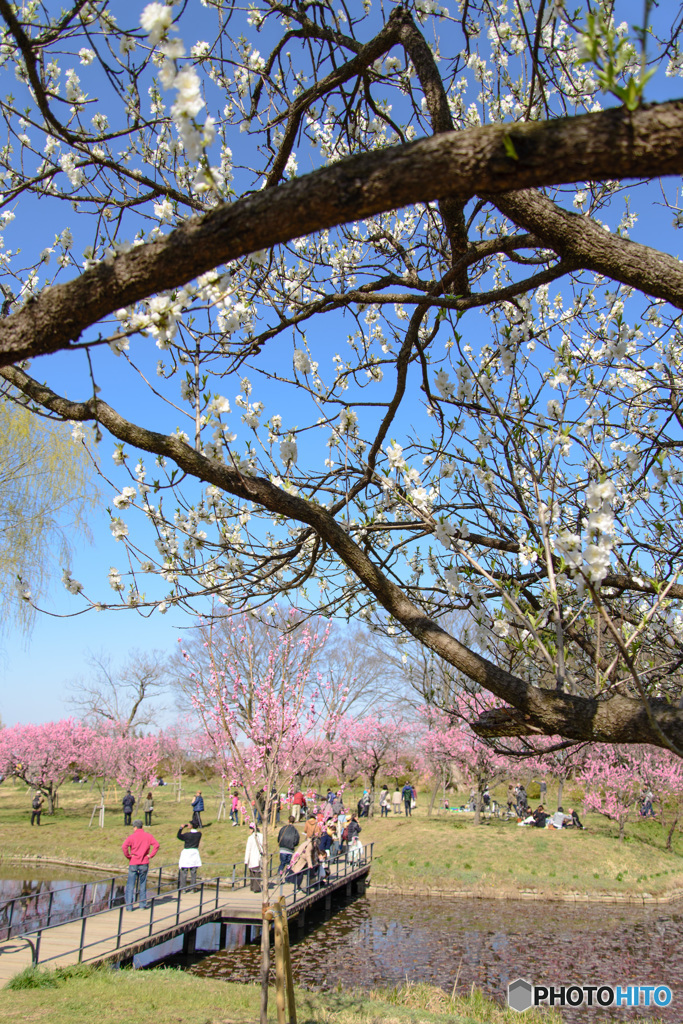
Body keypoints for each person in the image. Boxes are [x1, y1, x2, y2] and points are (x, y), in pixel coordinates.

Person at [122, 818, 159, 910]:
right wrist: (151, 855)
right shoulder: (148, 836)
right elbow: (156, 845)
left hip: (134, 861)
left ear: (135, 827)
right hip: (144, 862)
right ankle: (142, 904)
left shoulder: (131, 837)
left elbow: (124, 846)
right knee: (142, 884)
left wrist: (128, 856)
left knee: (130, 884)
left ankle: (129, 906)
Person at [177, 821, 202, 888]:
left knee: (184, 870)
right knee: (193, 871)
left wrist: (181, 828)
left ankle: (183, 888)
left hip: (187, 852)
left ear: (191, 826)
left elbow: (179, 836)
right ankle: (193, 887)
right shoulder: (199, 834)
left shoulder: (187, 835)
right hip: (194, 852)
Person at [245, 823, 263, 892]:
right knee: (257, 873)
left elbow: (248, 849)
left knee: (254, 873)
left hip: (253, 857)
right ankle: (255, 887)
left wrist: (246, 860)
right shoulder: (261, 836)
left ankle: (254, 887)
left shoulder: (250, 838)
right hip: (258, 857)